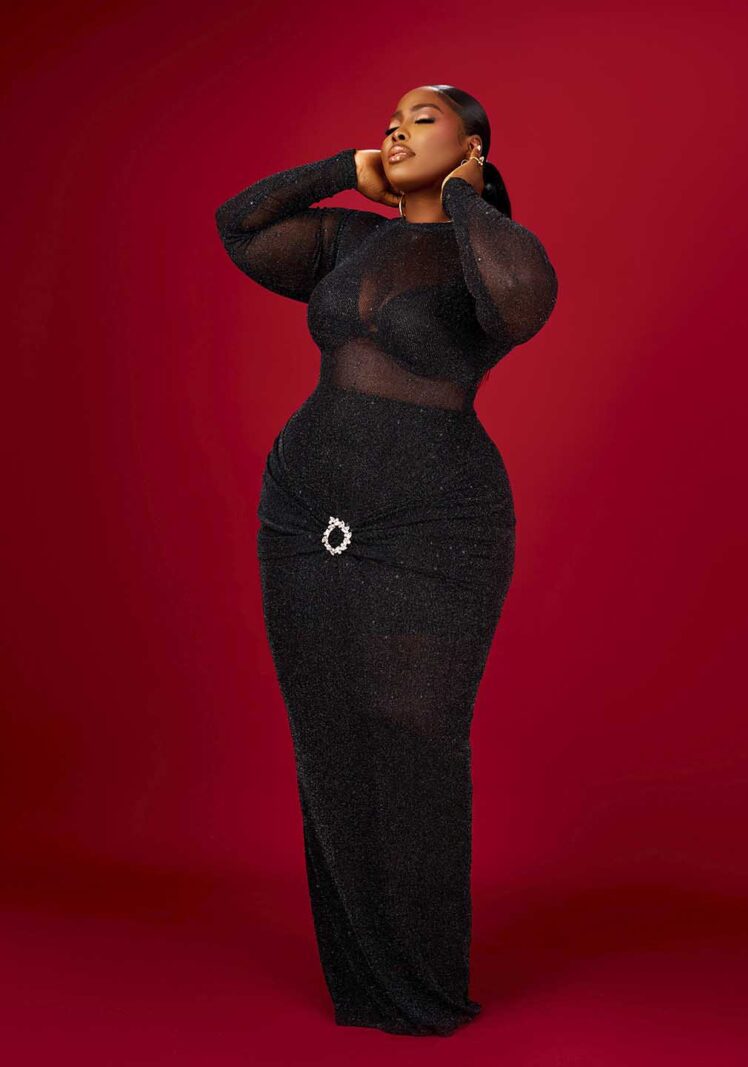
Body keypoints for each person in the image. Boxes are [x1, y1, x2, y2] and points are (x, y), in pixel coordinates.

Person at [214, 83, 558, 1037]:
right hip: (302, 510)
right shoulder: (345, 243)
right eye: (392, 119)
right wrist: (344, 172)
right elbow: (238, 225)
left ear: (473, 144)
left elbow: (521, 303)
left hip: (433, 522)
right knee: (326, 734)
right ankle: (361, 978)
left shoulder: (490, 251)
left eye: (424, 118)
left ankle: (423, 976)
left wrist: (462, 199)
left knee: (414, 737)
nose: (399, 127)